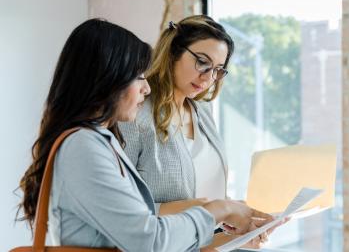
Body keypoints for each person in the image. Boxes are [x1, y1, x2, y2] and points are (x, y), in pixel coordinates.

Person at [17, 18, 272, 252]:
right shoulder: (83, 146)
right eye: (138, 76)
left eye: (218, 70)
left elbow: (146, 230)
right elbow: (149, 240)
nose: (146, 86)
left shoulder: (97, 142)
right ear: (109, 79)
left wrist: (231, 234)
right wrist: (220, 209)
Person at [118, 15, 272, 248]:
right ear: (173, 53)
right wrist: (218, 209)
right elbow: (122, 210)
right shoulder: (135, 113)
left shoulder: (202, 111)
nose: (209, 78)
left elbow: (205, 224)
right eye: (202, 62)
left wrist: (240, 234)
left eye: (218, 70)